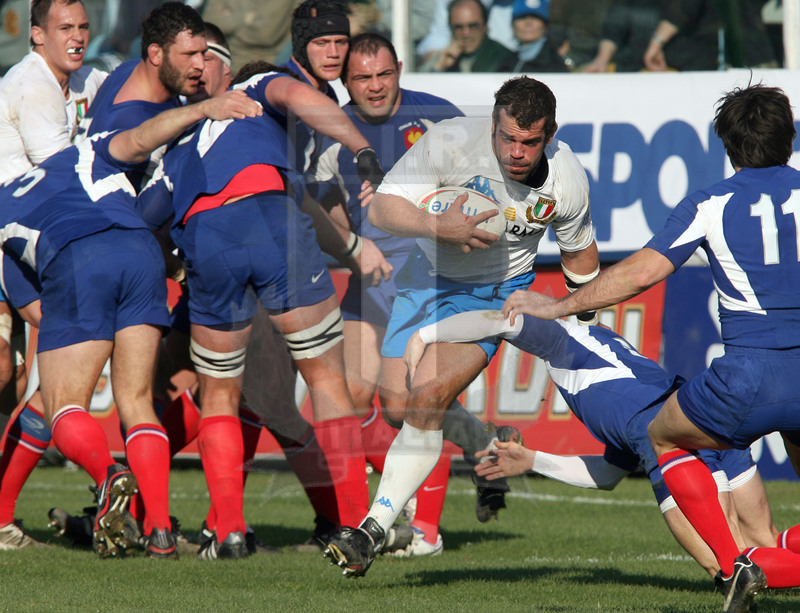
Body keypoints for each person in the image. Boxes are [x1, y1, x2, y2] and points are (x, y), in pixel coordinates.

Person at [503, 83, 800, 612]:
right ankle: (764, 564)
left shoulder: (711, 203)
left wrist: (559, 306)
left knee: (664, 436)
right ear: (790, 138)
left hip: (749, 374)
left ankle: (737, 565)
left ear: (728, 147)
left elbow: (641, 273)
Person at [322, 75, 600, 578]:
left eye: (530, 142)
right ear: (492, 125)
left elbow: (580, 256)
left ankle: (371, 530)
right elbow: (384, 208)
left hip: (493, 294)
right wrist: (438, 226)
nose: (517, 152)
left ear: (550, 133)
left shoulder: (567, 179)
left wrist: (587, 319)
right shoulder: (451, 139)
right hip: (421, 281)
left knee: (426, 395)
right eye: (508, 138)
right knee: (397, 408)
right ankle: (488, 442)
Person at [0, 89, 262, 560]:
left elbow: (33, 307)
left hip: (78, 259)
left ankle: (108, 475)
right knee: (138, 402)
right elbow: (141, 139)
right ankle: (159, 532)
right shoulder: (78, 152)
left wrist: (82, 331)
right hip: (142, 253)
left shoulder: (3, 207)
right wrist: (203, 108)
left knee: (63, 406)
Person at [136, 61, 381, 560]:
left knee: (220, 394)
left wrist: (174, 269)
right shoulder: (255, 91)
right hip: (268, 220)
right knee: (328, 383)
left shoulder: (177, 150)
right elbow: (298, 96)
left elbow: (142, 223)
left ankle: (227, 531)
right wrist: (363, 148)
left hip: (206, 240)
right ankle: (355, 526)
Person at [405, 309, 784, 582]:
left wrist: (424, 335)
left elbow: (501, 321)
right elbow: (607, 474)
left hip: (665, 438)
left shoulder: (565, 340)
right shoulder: (606, 348)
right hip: (701, 416)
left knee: (727, 566)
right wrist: (532, 460)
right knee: (765, 544)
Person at [307, 32, 464, 555]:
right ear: (344, 81)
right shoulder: (333, 130)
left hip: (427, 282)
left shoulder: (439, 119)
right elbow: (322, 200)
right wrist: (352, 246)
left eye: (384, 75)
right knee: (349, 397)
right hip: (368, 281)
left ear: (399, 68)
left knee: (412, 406)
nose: (375, 87)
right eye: (361, 78)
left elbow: (480, 185)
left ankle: (427, 531)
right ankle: (367, 518)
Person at [0, 0, 107, 550]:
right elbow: (63, 171)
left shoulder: (85, 78)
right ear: (36, 35)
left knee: (52, 380)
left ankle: (3, 518)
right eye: (66, 28)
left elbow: (123, 98)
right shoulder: (31, 85)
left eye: (84, 27)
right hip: (16, 235)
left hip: (40, 237)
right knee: (25, 378)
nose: (78, 37)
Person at [421, 0, 514, 73]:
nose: (466, 33)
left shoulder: (506, 60)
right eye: (459, 27)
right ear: (450, 28)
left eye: (473, 26)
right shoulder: (443, 58)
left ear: (485, 27)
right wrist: (439, 68)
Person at [582, 0, 660, 73]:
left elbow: (670, 14)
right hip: (625, 65)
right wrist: (602, 59)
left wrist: (656, 43)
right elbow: (614, 28)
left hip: (659, 63)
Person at [498, 0, 568, 73]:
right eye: (522, 17)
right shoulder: (506, 62)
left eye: (535, 17)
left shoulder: (556, 63)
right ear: (513, 25)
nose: (528, 23)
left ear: (545, 26)